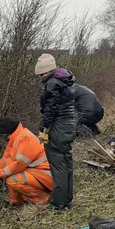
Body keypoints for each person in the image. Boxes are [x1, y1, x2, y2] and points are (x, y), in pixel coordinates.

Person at [34, 52, 77, 210]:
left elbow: (50, 110)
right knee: (66, 161)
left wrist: (43, 129)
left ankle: (58, 203)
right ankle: (67, 199)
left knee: (57, 163)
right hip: (69, 124)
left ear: (46, 70)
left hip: (58, 126)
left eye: (41, 74)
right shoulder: (65, 81)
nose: (41, 77)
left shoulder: (52, 83)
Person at [0, 117, 53, 205]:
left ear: (6, 133)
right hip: (38, 173)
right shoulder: (16, 138)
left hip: (46, 175)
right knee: (11, 174)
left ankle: (44, 199)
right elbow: (5, 161)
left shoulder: (25, 138)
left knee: (12, 179)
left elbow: (18, 165)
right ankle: (16, 203)